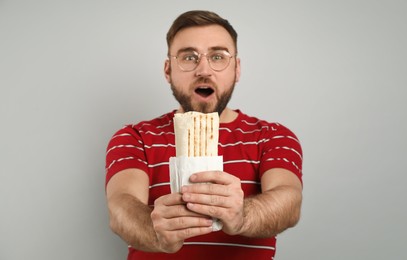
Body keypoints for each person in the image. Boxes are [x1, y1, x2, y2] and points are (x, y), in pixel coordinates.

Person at [105, 10, 303, 260]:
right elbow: (121, 206)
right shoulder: (135, 137)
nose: (204, 70)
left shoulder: (273, 137)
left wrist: (242, 215)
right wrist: (155, 231)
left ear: (237, 69)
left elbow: (290, 201)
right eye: (189, 57)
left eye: (218, 56)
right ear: (168, 71)